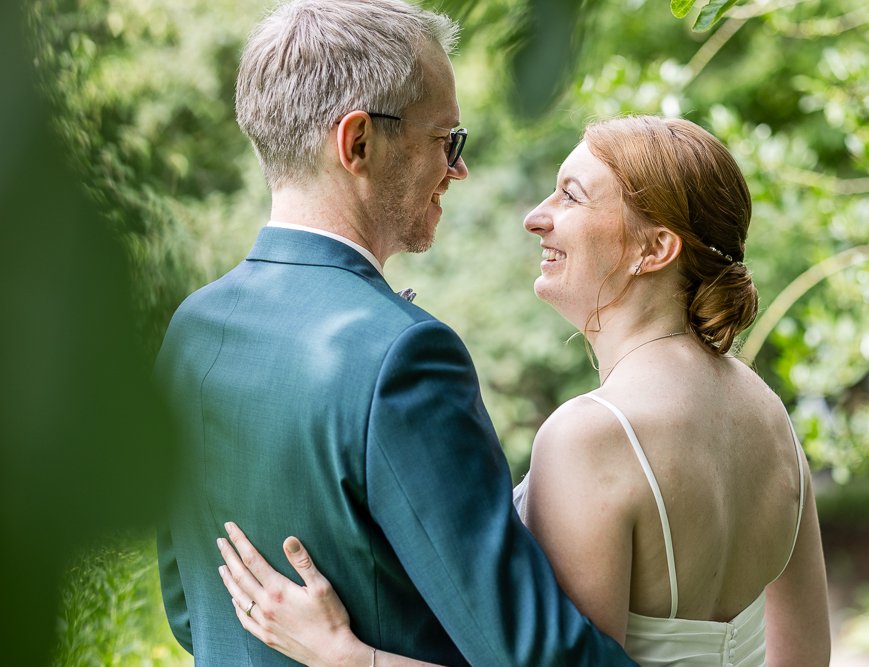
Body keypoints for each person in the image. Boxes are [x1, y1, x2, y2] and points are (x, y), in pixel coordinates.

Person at [215, 116, 833, 667]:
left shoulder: (592, 435)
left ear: (655, 248)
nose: (535, 216)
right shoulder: (769, 414)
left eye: (571, 195)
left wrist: (345, 657)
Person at [155, 0, 639, 665]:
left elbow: (190, 610)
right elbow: (532, 656)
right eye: (447, 140)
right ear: (359, 143)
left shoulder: (189, 331)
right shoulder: (403, 357)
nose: (458, 169)